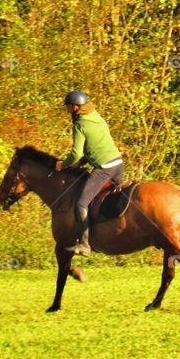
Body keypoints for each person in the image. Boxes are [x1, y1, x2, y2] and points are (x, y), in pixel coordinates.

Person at [54, 90, 124, 257]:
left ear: (75, 107)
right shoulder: (96, 117)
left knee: (81, 203)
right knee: (111, 200)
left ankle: (85, 244)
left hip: (105, 168)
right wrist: (83, 162)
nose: (67, 110)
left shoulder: (80, 124)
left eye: (68, 107)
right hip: (118, 163)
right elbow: (94, 148)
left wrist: (62, 165)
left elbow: (76, 154)